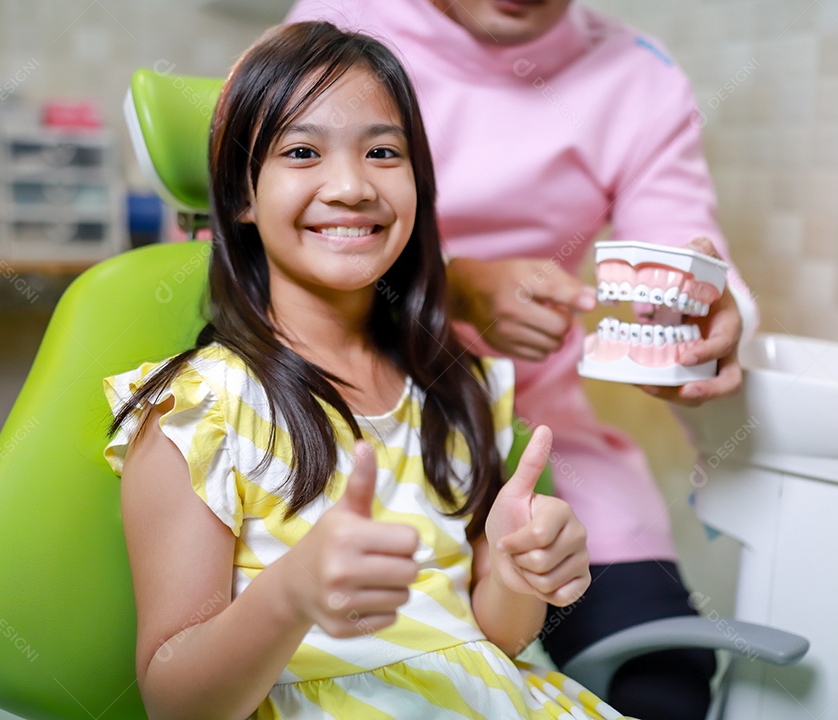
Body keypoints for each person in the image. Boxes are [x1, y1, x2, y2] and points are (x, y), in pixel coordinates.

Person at [104, 21, 632, 720]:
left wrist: (515, 571)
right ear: (242, 196)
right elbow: (175, 703)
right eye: (302, 151)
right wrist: (290, 593)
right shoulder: (201, 409)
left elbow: (495, 636)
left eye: (383, 151)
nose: (351, 186)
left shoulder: (456, 386)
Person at [282, 2, 761, 718]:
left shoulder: (636, 77)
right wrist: (455, 288)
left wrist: (709, 308)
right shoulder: (341, 27)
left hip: (542, 448)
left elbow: (684, 249)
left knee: (664, 673)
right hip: (356, 427)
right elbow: (263, 245)